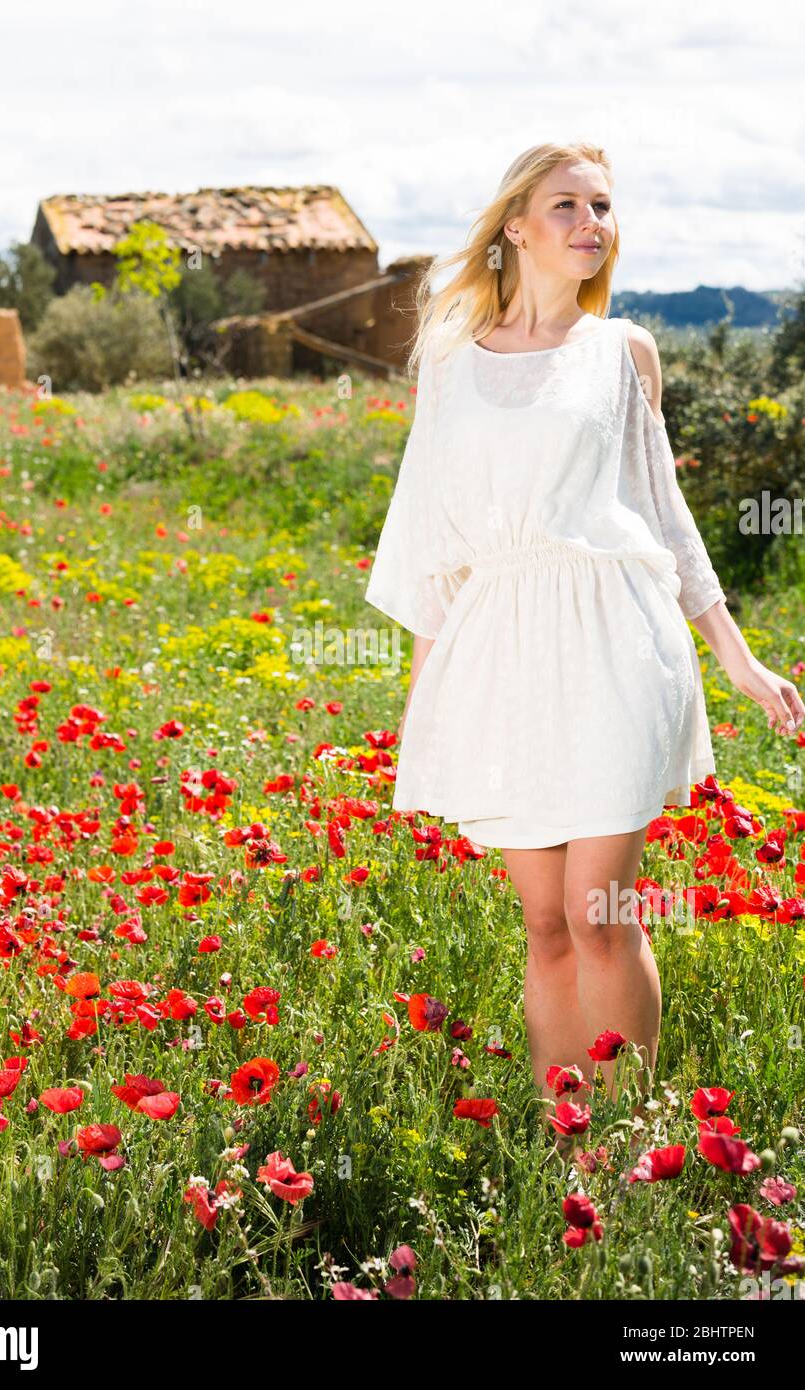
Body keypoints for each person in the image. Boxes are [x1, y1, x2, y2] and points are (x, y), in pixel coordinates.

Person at [363, 141, 804, 1139]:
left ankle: (632, 1139)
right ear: (515, 224)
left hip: (614, 637)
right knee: (547, 921)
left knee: (600, 910)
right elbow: (429, 538)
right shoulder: (447, 362)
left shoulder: (623, 352)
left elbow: (666, 515)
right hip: (501, 652)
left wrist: (738, 656)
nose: (589, 221)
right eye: (566, 203)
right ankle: (574, 1146)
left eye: (602, 205)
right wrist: (421, 707)